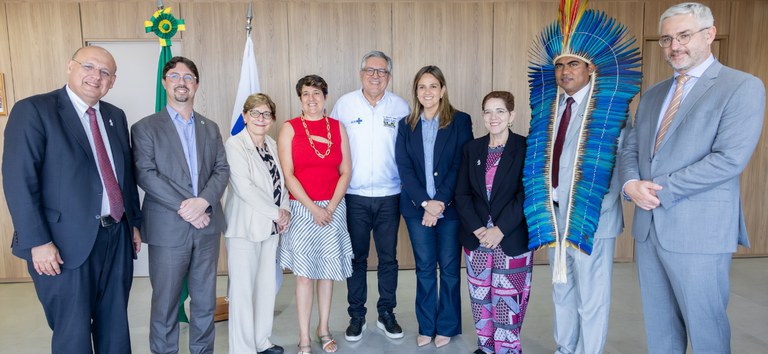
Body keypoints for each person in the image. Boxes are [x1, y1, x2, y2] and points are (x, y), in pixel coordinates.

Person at [619, 3, 765, 353]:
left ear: (709, 34)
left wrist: (658, 190)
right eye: (666, 39)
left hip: (700, 230)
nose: (674, 46)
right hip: (649, 229)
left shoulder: (741, 87)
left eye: (684, 36)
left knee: (706, 329)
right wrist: (630, 184)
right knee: (660, 329)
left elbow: (728, 160)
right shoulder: (653, 95)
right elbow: (630, 149)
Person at [2, 45, 142, 354]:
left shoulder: (115, 116)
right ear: (70, 66)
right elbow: (18, 180)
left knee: (115, 326)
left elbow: (124, 176)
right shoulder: (34, 110)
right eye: (88, 67)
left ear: (113, 81)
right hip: (62, 244)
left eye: (105, 72)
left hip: (116, 237)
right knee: (73, 334)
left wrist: (133, 223)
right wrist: (37, 242)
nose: (96, 76)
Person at [523, 2, 641, 353]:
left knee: (592, 296)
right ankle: (565, 348)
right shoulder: (550, 107)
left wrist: (594, 206)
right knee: (561, 288)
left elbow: (621, 163)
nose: (564, 71)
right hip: (554, 213)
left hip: (592, 216)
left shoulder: (612, 110)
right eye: (559, 65)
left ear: (591, 67)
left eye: (573, 63)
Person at [132, 56, 230, 354]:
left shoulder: (210, 127)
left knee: (204, 301)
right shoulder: (145, 127)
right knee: (166, 303)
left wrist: (203, 202)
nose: (181, 82)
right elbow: (145, 174)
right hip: (168, 228)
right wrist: (187, 208)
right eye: (174, 76)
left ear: (196, 84)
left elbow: (221, 169)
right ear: (165, 83)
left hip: (207, 226)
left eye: (188, 77)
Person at [329, 50, 410, 342]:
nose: (376, 76)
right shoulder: (344, 105)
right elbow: (332, 148)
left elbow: (409, 150)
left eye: (382, 71)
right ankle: (357, 316)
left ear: (389, 76)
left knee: (388, 258)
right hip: (354, 196)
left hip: (390, 196)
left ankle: (386, 312)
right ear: (361, 73)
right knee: (356, 259)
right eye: (370, 70)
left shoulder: (400, 106)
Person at [395, 65, 473, 348]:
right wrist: (426, 204)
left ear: (442, 90)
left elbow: (460, 164)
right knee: (425, 269)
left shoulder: (460, 121)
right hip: (417, 209)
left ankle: (448, 326)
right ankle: (426, 326)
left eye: (433, 86)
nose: (427, 92)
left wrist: (439, 203)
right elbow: (404, 168)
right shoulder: (406, 125)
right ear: (416, 92)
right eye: (421, 87)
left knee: (450, 269)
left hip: (449, 209)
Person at [277, 75, 353, 354]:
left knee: (327, 273)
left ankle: (323, 329)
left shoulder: (338, 127)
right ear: (300, 99)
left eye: (317, 93)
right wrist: (313, 208)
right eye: (306, 94)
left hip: (333, 208)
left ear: (325, 97)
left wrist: (329, 208)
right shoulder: (290, 128)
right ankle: (304, 337)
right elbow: (288, 174)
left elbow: (346, 171)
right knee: (304, 276)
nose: (312, 99)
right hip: (302, 209)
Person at [455, 91, 531, 354]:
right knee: (480, 299)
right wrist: (479, 229)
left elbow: (526, 194)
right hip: (477, 239)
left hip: (510, 237)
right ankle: (486, 348)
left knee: (507, 301)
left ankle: (508, 349)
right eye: (488, 111)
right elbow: (462, 194)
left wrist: (500, 230)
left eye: (500, 111)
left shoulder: (525, 147)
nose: (493, 117)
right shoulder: (472, 148)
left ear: (512, 115)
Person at [224, 93, 289, 354]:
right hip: (244, 229)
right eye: (255, 113)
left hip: (270, 229)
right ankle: (243, 349)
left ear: (272, 119)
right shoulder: (234, 145)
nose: (260, 118)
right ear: (245, 116)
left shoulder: (272, 144)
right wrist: (277, 214)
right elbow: (245, 189)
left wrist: (285, 210)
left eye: (266, 114)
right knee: (242, 293)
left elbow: (282, 182)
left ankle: (262, 341)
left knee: (266, 288)